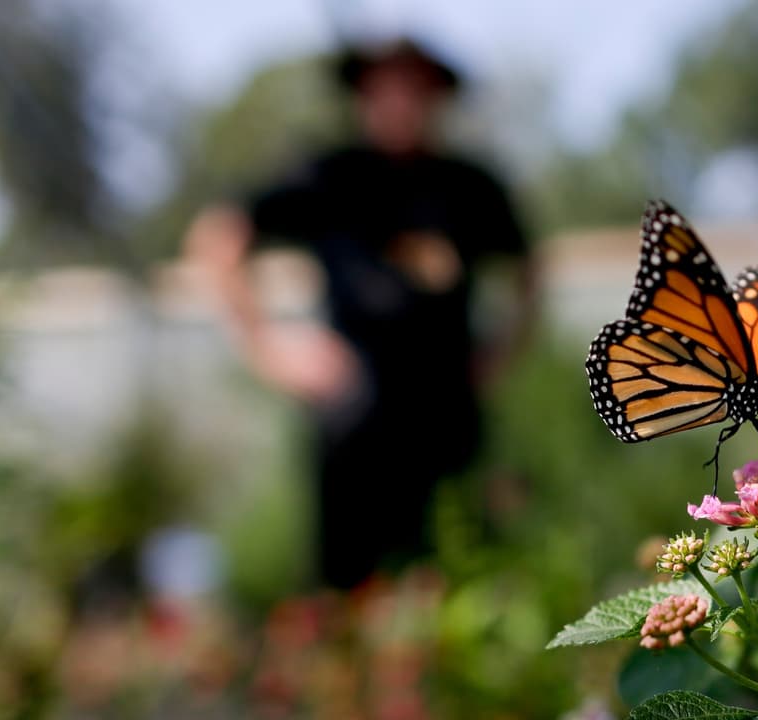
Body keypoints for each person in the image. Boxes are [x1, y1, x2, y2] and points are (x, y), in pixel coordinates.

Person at [184, 37, 535, 591]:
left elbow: (529, 268)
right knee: (350, 592)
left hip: (448, 422)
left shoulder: (470, 187)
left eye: (411, 86)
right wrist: (269, 349)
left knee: (460, 580)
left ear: (434, 94)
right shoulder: (329, 177)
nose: (398, 101)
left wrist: (502, 351)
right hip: (354, 430)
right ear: (362, 96)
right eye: (383, 87)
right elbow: (218, 238)